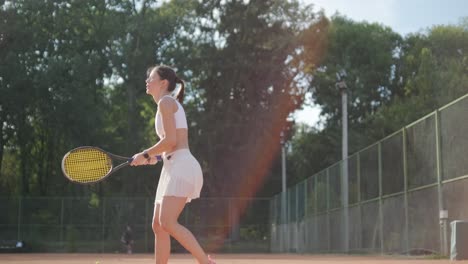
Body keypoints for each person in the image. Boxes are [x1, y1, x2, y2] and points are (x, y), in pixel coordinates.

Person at [130, 65, 215, 264]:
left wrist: (145, 154)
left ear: (163, 83)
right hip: (172, 165)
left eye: (150, 78)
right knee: (158, 226)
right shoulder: (166, 104)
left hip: (182, 165)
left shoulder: (166, 102)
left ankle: (205, 261)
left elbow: (171, 141)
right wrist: (155, 158)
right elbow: (171, 144)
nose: (147, 81)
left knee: (167, 222)